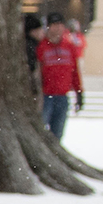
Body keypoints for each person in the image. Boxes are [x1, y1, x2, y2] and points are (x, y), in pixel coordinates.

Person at [37, 12, 84, 140]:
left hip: (62, 96)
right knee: (41, 130)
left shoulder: (69, 47)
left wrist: (79, 91)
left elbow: (74, 71)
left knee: (58, 132)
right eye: (54, 24)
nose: (58, 28)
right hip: (45, 96)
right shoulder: (41, 47)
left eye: (60, 24)